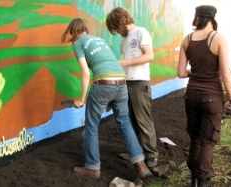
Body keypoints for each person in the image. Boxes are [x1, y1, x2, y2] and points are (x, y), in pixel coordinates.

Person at [61, 18, 152, 179]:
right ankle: (141, 165)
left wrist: (82, 99)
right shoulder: (99, 40)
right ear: (85, 29)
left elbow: (86, 72)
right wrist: (110, 98)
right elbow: (110, 66)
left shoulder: (78, 43)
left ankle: (93, 168)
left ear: (72, 32)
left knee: (91, 127)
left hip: (103, 84)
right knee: (125, 123)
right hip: (121, 83)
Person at [177, 5, 231, 187]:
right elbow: (226, 74)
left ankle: (194, 180)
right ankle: (203, 181)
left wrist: (195, 72)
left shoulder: (186, 39)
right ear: (213, 18)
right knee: (207, 142)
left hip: (192, 95)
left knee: (195, 138)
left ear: (197, 18)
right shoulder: (218, 38)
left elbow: (181, 73)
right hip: (212, 97)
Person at [106, 7, 159, 168]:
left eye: (115, 28)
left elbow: (149, 56)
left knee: (143, 120)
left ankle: (151, 155)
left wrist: (125, 62)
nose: (116, 31)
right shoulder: (124, 39)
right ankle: (136, 152)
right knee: (129, 120)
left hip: (139, 83)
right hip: (126, 83)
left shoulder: (141, 32)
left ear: (119, 22)